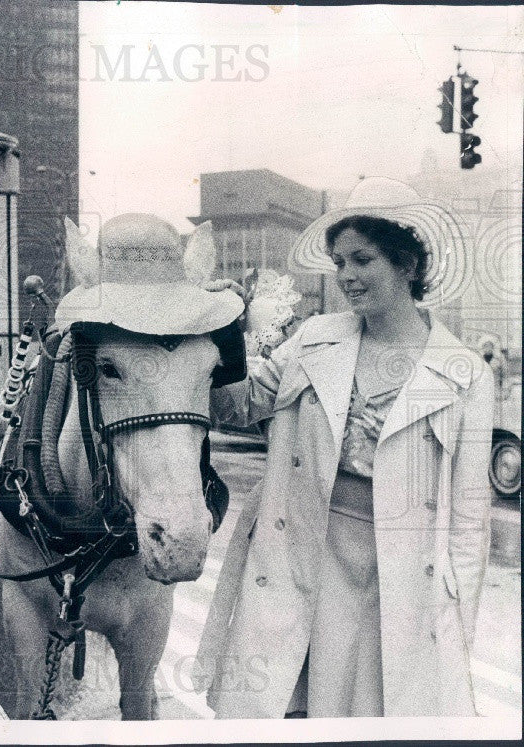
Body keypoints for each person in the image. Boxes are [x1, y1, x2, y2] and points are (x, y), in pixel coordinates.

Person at [194, 177, 494, 718]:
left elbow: (471, 522)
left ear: (408, 264)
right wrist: (222, 333)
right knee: (287, 707)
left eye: (363, 260)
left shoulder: (465, 372)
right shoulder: (314, 340)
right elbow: (233, 410)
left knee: (377, 714)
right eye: (339, 262)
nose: (347, 277)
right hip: (305, 548)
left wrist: (453, 628)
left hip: (400, 576)